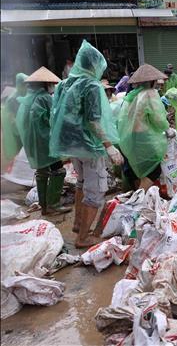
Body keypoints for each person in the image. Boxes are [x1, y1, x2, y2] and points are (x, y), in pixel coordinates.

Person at [50, 40, 123, 248]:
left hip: (72, 144)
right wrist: (108, 145)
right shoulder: (91, 85)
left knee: (81, 183)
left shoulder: (65, 83)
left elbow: (57, 115)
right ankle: (83, 237)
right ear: (94, 66)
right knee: (96, 190)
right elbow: (93, 120)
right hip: (89, 146)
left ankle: (77, 224)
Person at [16, 67, 71, 215]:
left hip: (32, 142)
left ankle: (44, 206)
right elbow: (54, 119)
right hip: (46, 140)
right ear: (45, 84)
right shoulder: (44, 97)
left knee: (41, 171)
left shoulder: (27, 99)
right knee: (58, 170)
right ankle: (53, 204)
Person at [117, 64, 170, 190]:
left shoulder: (131, 95)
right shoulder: (150, 94)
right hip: (144, 138)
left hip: (130, 138)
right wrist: (167, 128)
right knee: (154, 170)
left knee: (141, 169)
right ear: (151, 81)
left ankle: (141, 197)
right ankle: (139, 198)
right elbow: (158, 119)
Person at [1, 72, 27, 166]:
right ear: (19, 84)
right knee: (19, 148)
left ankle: (21, 167)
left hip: (22, 126)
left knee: (24, 149)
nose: (26, 87)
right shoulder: (13, 98)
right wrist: (18, 126)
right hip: (15, 127)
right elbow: (12, 116)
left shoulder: (22, 94)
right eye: (24, 84)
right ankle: (17, 168)